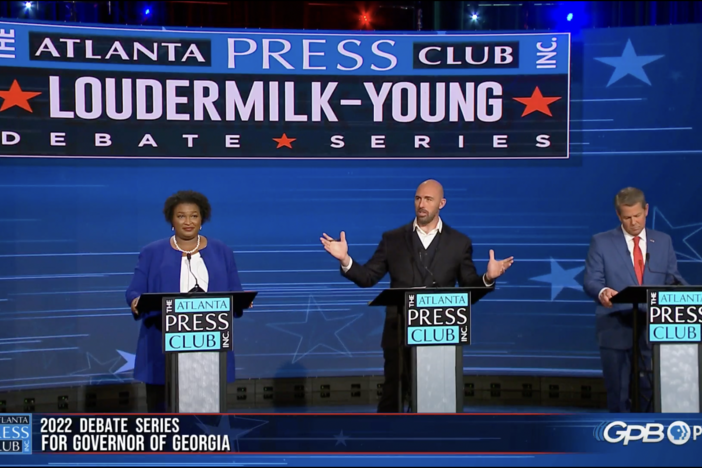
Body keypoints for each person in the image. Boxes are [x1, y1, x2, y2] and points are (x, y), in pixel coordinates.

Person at [320, 179, 514, 413]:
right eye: (418, 198)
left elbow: (468, 290)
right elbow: (368, 277)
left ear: (441, 203)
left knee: (439, 397)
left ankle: (439, 444)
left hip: (441, 333)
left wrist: (488, 278)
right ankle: (387, 444)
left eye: (428, 199)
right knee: (393, 395)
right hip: (399, 331)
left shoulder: (459, 243)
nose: (421, 204)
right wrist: (345, 260)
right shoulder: (393, 239)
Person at [125, 190, 245, 412]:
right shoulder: (152, 252)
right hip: (163, 346)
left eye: (194, 216)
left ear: (202, 219)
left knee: (207, 421)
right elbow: (134, 291)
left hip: (209, 349)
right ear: (171, 220)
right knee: (163, 420)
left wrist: (241, 301)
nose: (188, 222)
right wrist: (135, 301)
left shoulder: (221, 251)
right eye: (181, 216)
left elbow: (235, 289)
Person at [583, 187, 687, 413]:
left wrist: (688, 297)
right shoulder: (601, 242)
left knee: (652, 391)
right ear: (619, 216)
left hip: (653, 328)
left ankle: (651, 438)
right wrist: (603, 293)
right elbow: (592, 281)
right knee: (619, 393)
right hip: (615, 325)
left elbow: (673, 280)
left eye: (637, 216)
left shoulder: (663, 241)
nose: (634, 222)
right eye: (627, 217)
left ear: (646, 210)